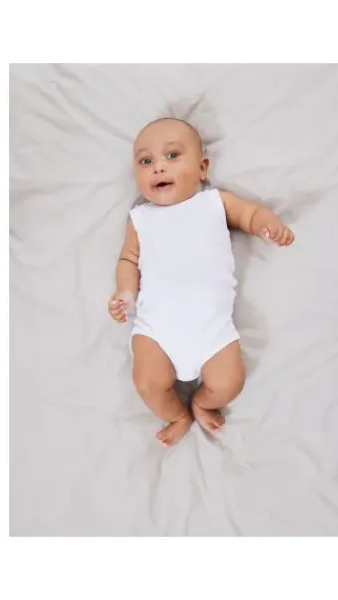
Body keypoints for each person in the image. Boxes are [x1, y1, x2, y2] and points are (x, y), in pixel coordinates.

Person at [109, 118, 295, 447]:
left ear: (202, 168)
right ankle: (178, 415)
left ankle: (203, 402)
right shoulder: (141, 218)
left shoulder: (214, 203)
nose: (158, 167)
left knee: (230, 383)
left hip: (212, 330)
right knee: (148, 383)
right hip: (156, 328)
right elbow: (128, 260)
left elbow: (249, 215)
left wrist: (267, 224)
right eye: (146, 161)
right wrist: (126, 292)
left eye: (172, 155)